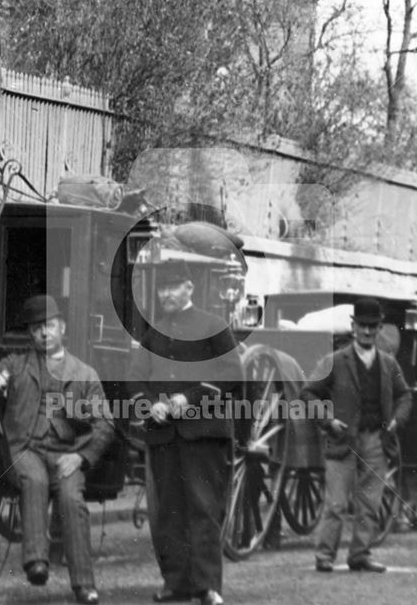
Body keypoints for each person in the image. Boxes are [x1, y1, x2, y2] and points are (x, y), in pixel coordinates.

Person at [126, 259, 242, 605]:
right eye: (162, 289)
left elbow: (232, 375)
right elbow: (135, 379)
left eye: (173, 287)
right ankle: (175, 583)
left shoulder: (214, 327)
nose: (166, 294)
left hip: (203, 436)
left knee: (203, 510)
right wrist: (151, 405)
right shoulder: (152, 334)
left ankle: (207, 587)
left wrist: (187, 398)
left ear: (189, 288)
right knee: (168, 514)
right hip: (164, 437)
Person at [0, 294, 113, 605]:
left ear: (62, 329)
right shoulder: (17, 364)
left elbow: (105, 424)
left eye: (49, 327)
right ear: (30, 335)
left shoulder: (85, 375)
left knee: (72, 499)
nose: (43, 334)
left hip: (67, 454)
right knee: (35, 480)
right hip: (26, 448)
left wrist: (82, 457)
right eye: (35, 329)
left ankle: (84, 585)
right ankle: (36, 562)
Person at [299, 297, 412, 573]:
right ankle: (324, 556)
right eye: (362, 326)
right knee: (336, 503)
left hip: (376, 440)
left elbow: (405, 395)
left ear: (379, 327)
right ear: (353, 326)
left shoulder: (388, 364)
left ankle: (360, 554)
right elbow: (308, 392)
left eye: (372, 327)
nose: (367, 332)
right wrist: (327, 421)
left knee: (369, 503)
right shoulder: (335, 361)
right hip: (342, 440)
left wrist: (398, 420)